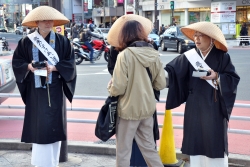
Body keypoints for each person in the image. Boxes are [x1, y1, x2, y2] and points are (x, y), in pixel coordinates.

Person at [164, 21, 240, 167]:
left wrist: (217, 76)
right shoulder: (189, 56)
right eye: (195, 36)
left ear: (211, 38)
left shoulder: (222, 57)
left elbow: (233, 78)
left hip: (214, 107)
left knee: (214, 141)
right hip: (195, 105)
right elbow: (172, 72)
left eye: (201, 36)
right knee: (196, 142)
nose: (197, 39)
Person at [12, 6, 77, 167]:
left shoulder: (62, 41)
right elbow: (17, 62)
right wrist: (29, 67)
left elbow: (70, 64)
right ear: (37, 22)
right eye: (44, 20)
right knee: (39, 125)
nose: (48, 23)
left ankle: (53, 162)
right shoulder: (26, 41)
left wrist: (53, 68)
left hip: (55, 90)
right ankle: (40, 162)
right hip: (35, 92)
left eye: (50, 20)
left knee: (54, 125)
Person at [106, 14, 166, 167]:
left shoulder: (124, 55)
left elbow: (118, 87)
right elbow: (160, 84)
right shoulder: (154, 54)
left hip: (128, 111)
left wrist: (110, 87)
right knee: (149, 150)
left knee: (123, 152)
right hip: (147, 109)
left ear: (123, 35)